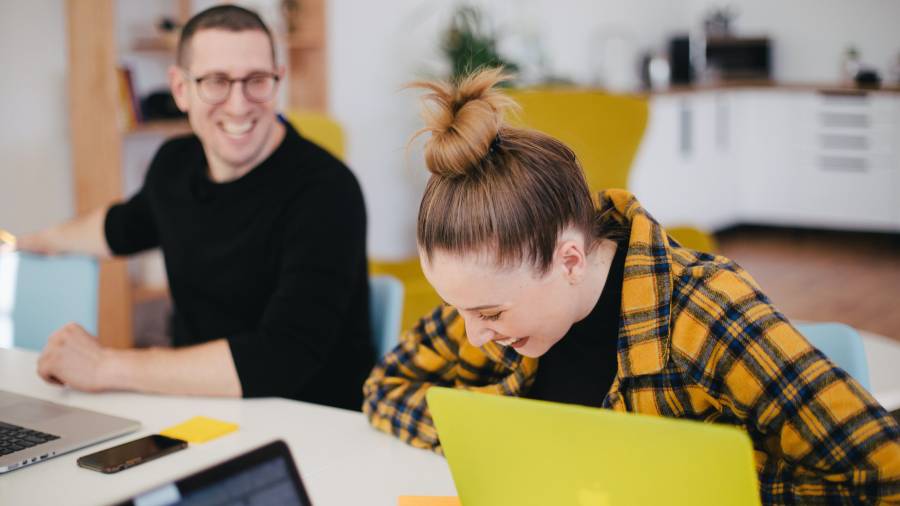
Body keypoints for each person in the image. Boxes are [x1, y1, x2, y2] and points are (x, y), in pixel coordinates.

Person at [363, 68, 900, 503]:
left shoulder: (706, 313)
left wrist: (691, 480)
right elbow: (384, 390)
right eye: (458, 309)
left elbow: (882, 475)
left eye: (491, 314)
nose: (474, 335)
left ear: (569, 259)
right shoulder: (496, 308)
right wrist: (504, 441)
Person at [17, 5, 374, 410]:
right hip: (197, 409)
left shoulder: (327, 191)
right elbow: (122, 226)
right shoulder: (175, 164)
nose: (238, 105)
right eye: (216, 82)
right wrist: (34, 240)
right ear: (181, 89)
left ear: (278, 81)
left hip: (312, 426)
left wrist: (106, 366)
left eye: (256, 80)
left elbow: (281, 357)